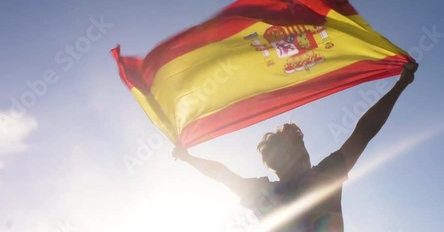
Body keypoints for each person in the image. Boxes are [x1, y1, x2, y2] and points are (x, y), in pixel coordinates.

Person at [172, 62, 418, 232]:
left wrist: (188, 158)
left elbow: (222, 174)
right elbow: (364, 132)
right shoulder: (321, 176)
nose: (304, 154)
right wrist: (400, 85)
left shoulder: (264, 191)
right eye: (298, 148)